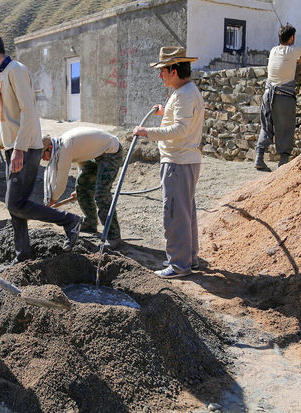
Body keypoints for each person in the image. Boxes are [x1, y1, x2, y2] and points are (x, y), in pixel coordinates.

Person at [0, 27, 82, 264]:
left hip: (27, 148)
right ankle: (22, 254)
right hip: (14, 147)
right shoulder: (2, 75)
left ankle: (69, 221)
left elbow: (28, 112)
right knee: (16, 205)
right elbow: (8, 118)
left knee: (15, 203)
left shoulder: (16, 71)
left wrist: (20, 149)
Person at [133, 46, 204, 279]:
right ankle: (189, 258)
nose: (159, 75)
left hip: (178, 161)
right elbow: (182, 118)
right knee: (185, 212)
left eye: (162, 70)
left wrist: (147, 132)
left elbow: (181, 129)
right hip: (185, 160)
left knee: (174, 213)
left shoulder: (184, 94)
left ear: (174, 70)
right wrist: (166, 112)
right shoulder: (184, 92)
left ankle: (179, 264)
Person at [42, 127, 124, 249]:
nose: (43, 159)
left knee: (101, 194)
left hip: (110, 151)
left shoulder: (64, 147)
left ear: (49, 148)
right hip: (95, 154)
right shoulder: (60, 145)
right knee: (81, 187)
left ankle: (114, 236)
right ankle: (90, 222)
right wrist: (83, 186)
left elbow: (61, 180)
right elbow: (82, 157)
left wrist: (52, 201)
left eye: (43, 155)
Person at [255, 25, 301, 171]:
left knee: (266, 126)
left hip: (268, 95)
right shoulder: (292, 51)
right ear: (291, 38)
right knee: (285, 128)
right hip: (283, 97)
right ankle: (283, 161)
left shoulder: (273, 50)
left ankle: (259, 157)